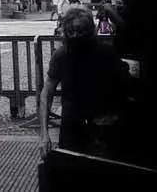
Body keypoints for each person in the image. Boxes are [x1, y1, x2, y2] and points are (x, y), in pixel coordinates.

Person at [40, 8, 129, 159]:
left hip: (102, 129)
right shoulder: (61, 55)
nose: (76, 36)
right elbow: (46, 93)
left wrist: (116, 115)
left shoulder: (106, 53)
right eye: (72, 31)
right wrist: (44, 135)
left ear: (89, 31)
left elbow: (125, 88)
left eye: (80, 31)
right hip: (72, 126)